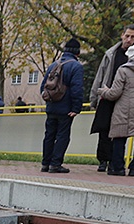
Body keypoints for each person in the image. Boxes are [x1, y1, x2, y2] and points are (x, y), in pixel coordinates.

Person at [98, 43, 134, 176]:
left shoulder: (123, 70)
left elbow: (115, 93)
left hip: (126, 108)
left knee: (120, 136)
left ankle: (118, 168)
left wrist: (103, 91)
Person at [90, 26, 134, 171]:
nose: (129, 40)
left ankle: (115, 161)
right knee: (103, 129)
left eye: (132, 37)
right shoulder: (111, 54)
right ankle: (103, 160)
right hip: (107, 95)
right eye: (127, 36)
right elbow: (100, 75)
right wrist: (95, 97)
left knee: (120, 131)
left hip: (125, 99)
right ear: (122, 35)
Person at [40, 38, 84, 173]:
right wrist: (76, 108)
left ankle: (45, 164)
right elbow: (77, 89)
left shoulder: (53, 65)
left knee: (49, 135)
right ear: (77, 52)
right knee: (62, 136)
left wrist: (49, 101)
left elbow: (43, 86)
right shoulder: (76, 66)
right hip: (65, 109)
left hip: (52, 106)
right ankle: (55, 164)